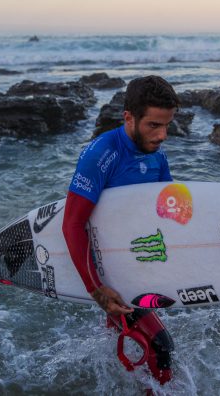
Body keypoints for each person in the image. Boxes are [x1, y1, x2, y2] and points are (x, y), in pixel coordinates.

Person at [62, 75, 180, 385]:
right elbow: (72, 224)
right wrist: (95, 288)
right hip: (108, 271)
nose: (162, 135)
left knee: (130, 344)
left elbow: (164, 214)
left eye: (167, 125)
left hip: (137, 262)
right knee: (161, 346)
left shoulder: (157, 156)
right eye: (154, 125)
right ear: (129, 117)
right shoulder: (101, 155)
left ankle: (116, 384)